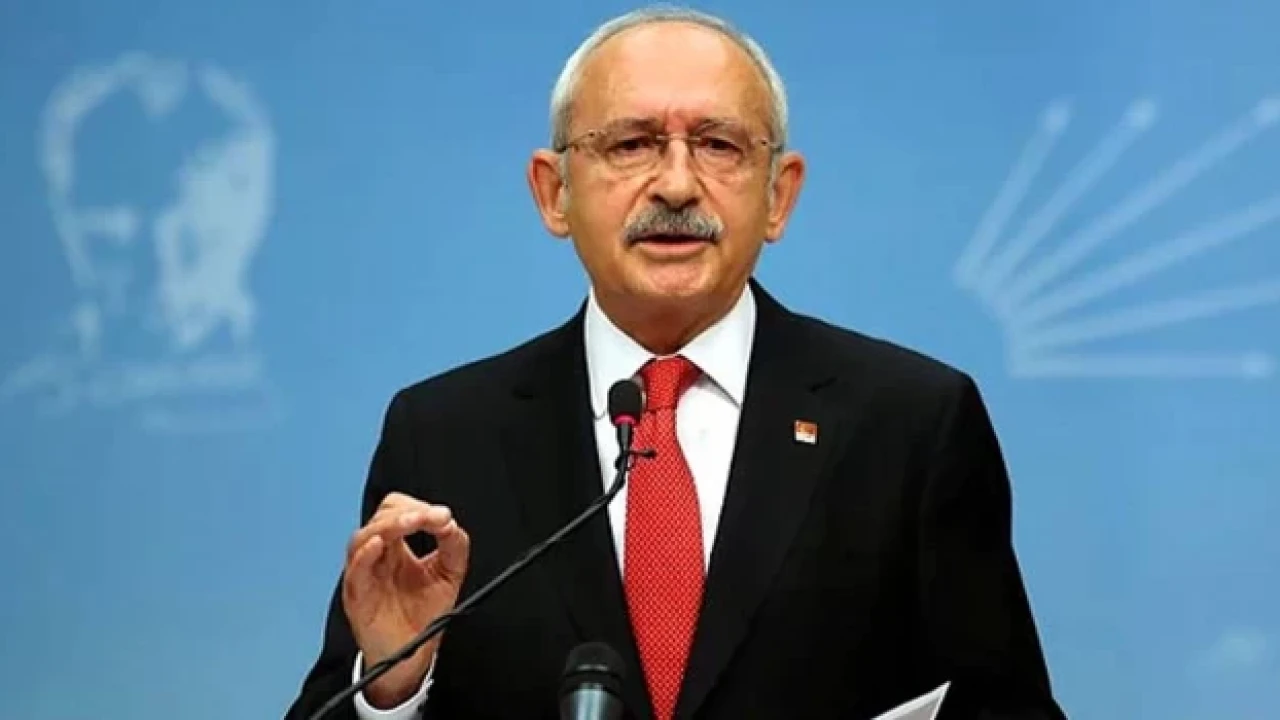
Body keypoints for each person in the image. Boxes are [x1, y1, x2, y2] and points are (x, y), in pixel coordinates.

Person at [284, 6, 1067, 719]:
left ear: (779, 195)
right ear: (554, 193)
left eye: (719, 145)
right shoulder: (445, 435)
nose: (677, 183)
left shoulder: (910, 424)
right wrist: (391, 685)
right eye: (631, 144)